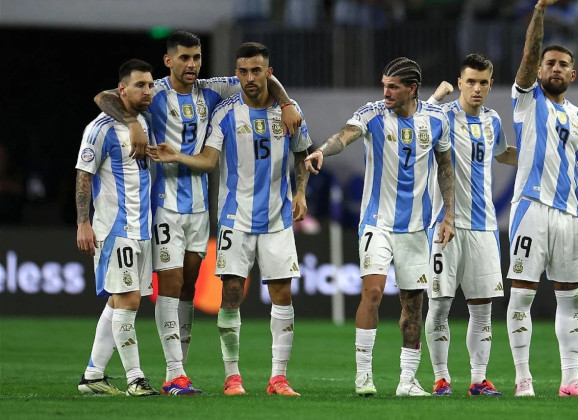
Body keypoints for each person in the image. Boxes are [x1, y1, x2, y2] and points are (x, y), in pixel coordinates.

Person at [94, 31, 301, 395]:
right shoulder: (153, 91)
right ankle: (173, 372)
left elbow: (262, 76)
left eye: (197, 57)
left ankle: (181, 372)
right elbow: (104, 97)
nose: (192, 65)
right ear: (168, 60)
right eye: (185, 58)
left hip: (201, 207)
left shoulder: (212, 89)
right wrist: (130, 122)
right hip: (165, 204)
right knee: (170, 288)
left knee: (188, 287)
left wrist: (285, 102)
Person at [149, 42, 312, 397]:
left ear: (269, 72)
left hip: (278, 218)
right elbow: (208, 161)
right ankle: (232, 376)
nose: (249, 78)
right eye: (242, 71)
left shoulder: (290, 111)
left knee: (282, 294)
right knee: (231, 294)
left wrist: (300, 192)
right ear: (235, 73)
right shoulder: (224, 112)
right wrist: (176, 155)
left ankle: (278, 378)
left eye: (256, 70)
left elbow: (303, 154)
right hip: (234, 218)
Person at [304, 57, 456, 397]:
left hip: (417, 228)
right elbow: (345, 135)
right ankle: (363, 376)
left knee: (413, 306)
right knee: (372, 293)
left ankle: (407, 381)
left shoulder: (437, 121)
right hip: (377, 223)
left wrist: (449, 216)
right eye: (383, 84)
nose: (385, 91)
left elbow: (446, 168)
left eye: (393, 86)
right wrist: (321, 152)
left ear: (412, 89)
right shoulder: (372, 114)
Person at [505, 0, 578, 398]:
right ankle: (523, 380)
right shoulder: (527, 100)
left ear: (572, 74)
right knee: (523, 297)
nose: (553, 67)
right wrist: (539, 10)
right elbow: (528, 55)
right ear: (538, 70)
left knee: (572, 299)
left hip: (570, 216)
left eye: (562, 64)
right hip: (531, 209)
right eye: (548, 62)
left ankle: (570, 380)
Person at [423, 54, 517, 396]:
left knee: (482, 307)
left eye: (483, 83)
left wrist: (540, 155)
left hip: (484, 228)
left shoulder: (492, 121)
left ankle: (478, 379)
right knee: (440, 304)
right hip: (445, 225)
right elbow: (414, 124)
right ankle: (441, 377)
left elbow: (503, 153)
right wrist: (434, 98)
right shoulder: (443, 116)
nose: (477, 88)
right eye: (470, 82)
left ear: (491, 85)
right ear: (460, 83)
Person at [75, 59, 160, 397]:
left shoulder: (144, 123)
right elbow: (84, 175)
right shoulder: (100, 129)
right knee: (126, 301)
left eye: (151, 85)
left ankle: (93, 376)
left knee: (122, 300)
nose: (148, 91)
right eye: (140, 85)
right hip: (115, 228)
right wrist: (83, 222)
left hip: (141, 228)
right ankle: (135, 379)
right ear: (121, 90)